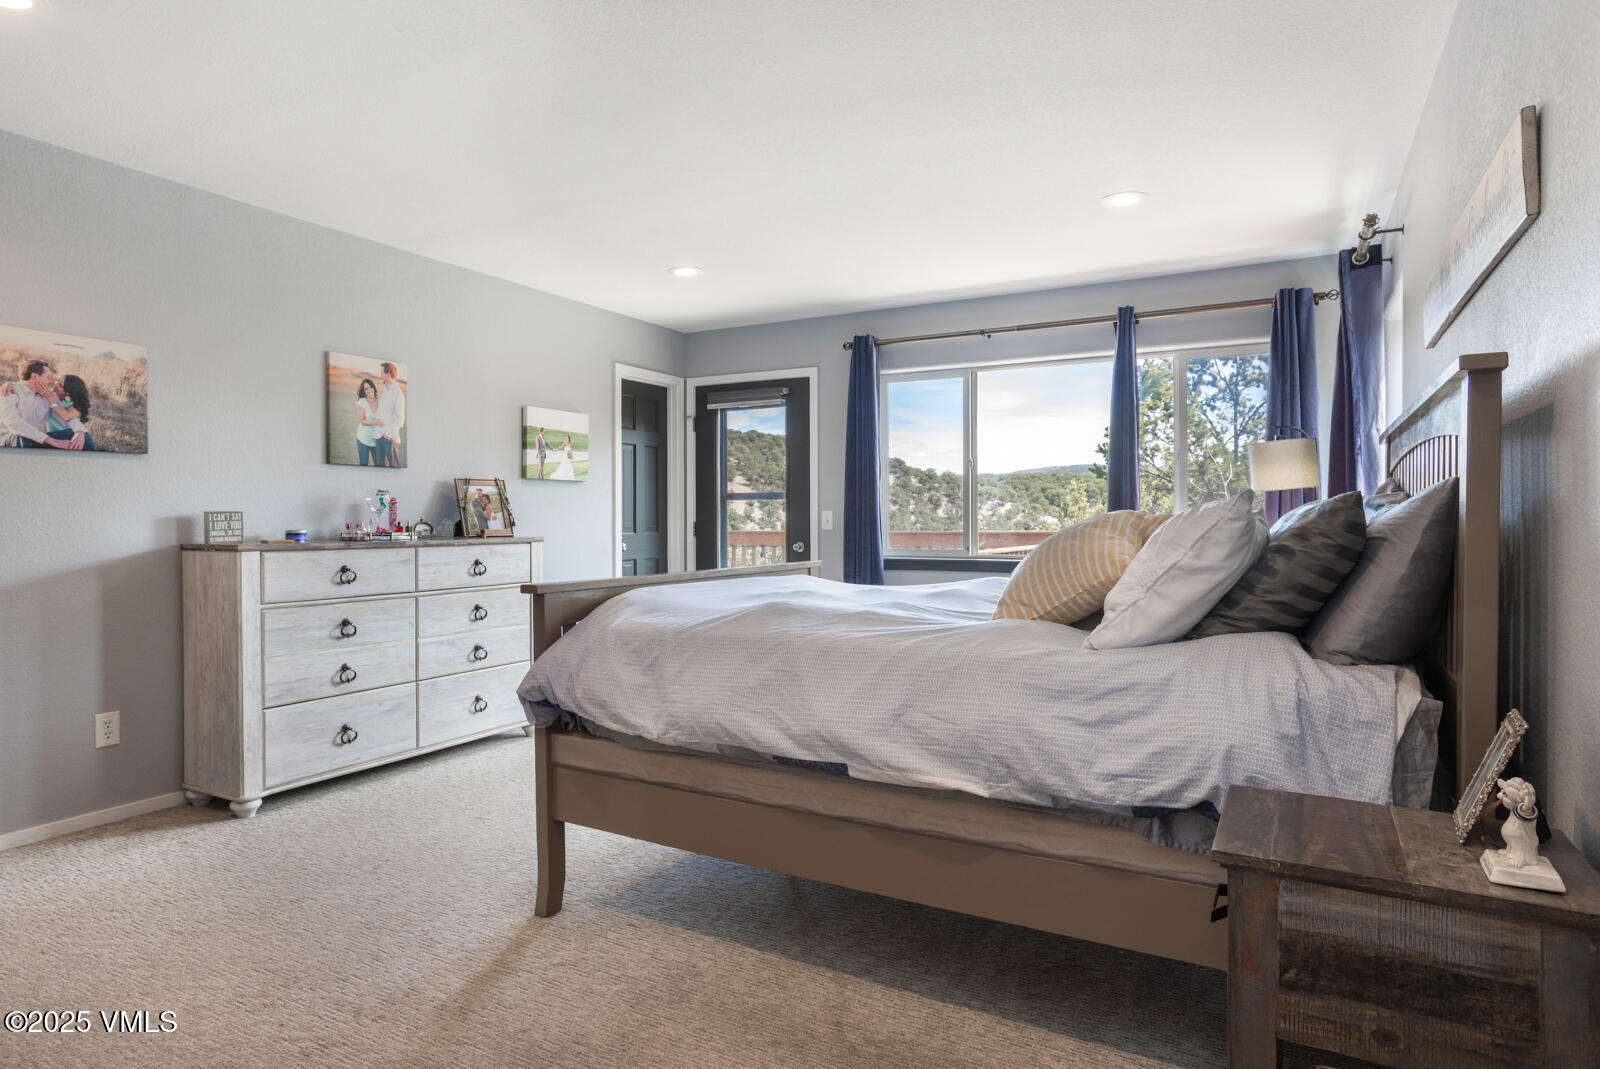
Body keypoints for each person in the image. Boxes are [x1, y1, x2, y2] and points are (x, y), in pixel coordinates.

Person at [1, 360, 87, 450]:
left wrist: (80, 431)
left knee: (81, 436)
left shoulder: (47, 394)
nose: (51, 382)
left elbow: (65, 417)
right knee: (21, 437)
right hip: (9, 439)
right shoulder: (10, 391)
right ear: (34, 376)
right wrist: (52, 441)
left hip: (40, 439)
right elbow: (14, 424)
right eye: (48, 377)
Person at [375, 362, 405, 466]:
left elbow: (400, 419)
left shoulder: (398, 393)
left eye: (382, 373)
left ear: (388, 375)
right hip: (379, 437)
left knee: (394, 469)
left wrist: (388, 434)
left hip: (389, 439)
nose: (380, 375)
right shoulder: (386, 391)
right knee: (379, 472)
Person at [353, 378, 382, 466]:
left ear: (374, 388)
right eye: (366, 389)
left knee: (379, 465)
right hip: (363, 439)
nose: (369, 390)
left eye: (370, 387)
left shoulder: (380, 402)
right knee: (363, 464)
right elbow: (362, 421)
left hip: (376, 440)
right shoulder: (361, 402)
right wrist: (375, 423)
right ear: (364, 391)